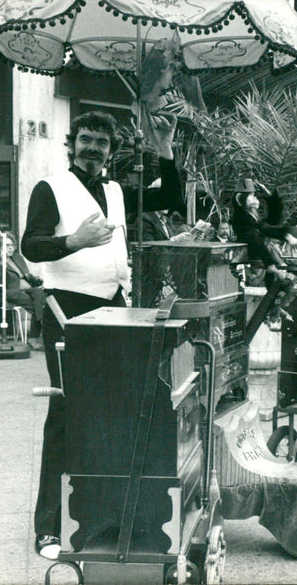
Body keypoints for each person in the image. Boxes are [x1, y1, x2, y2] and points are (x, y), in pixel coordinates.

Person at [21, 110, 183, 560]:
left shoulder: (115, 190)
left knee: (113, 411)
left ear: (112, 151)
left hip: (115, 309)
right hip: (67, 310)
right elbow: (30, 244)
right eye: (86, 140)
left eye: (102, 143)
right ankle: (49, 527)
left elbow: (169, 195)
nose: (93, 149)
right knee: (67, 412)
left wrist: (165, 147)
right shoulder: (50, 188)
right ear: (72, 144)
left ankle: (97, 512)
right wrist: (75, 240)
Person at [230, 178, 297, 287]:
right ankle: (271, 267)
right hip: (252, 254)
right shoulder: (240, 217)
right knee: (253, 233)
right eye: (252, 195)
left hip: (262, 253)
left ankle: (272, 269)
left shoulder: (253, 215)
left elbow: (273, 221)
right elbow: (263, 229)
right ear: (241, 199)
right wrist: (286, 236)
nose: (256, 198)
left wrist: (268, 195)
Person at [0, 230, 47, 350]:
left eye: (12, 245)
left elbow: (26, 275)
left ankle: (36, 337)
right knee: (38, 305)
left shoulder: (17, 258)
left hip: (29, 290)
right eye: (6, 245)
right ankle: (36, 337)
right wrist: (2, 262)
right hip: (10, 293)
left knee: (41, 295)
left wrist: (37, 280)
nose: (10, 248)